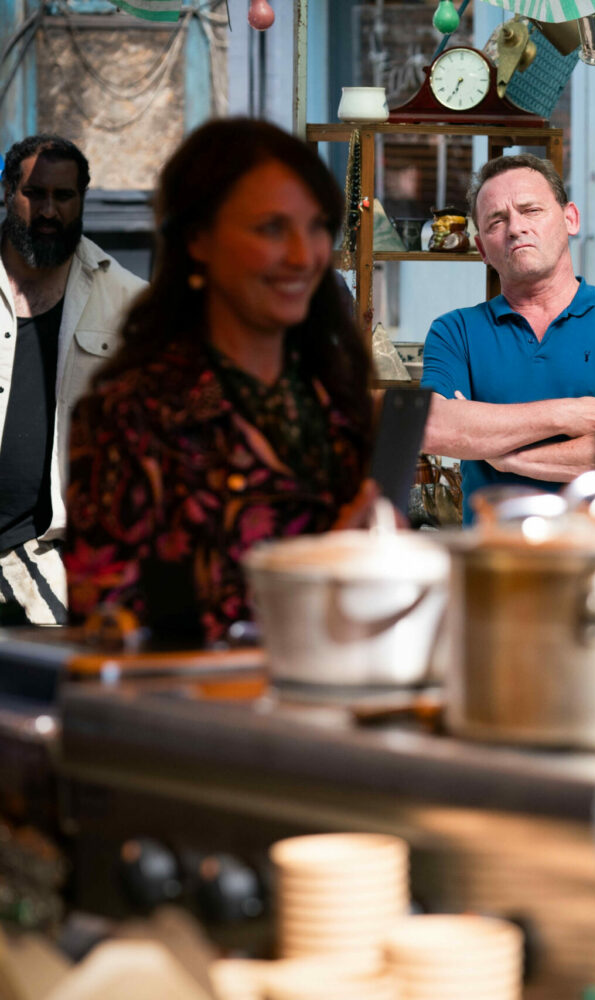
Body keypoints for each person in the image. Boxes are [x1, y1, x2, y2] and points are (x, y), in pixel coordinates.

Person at [64, 119, 375, 642]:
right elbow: (110, 627)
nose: (303, 255)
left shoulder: (332, 398)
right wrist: (311, 575)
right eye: (271, 228)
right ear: (198, 238)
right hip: (208, 717)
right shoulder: (135, 413)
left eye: (317, 225)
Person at [420, 154, 595, 513]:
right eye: (496, 220)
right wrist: (564, 415)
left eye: (531, 210)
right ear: (481, 249)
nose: (515, 228)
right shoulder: (455, 332)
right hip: (496, 557)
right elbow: (433, 426)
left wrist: (500, 453)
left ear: (570, 219)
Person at [0, 135, 145, 625]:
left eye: (63, 197)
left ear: (82, 199)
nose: (48, 211)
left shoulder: (123, 299)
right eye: (34, 194)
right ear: (7, 193)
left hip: (45, 545)